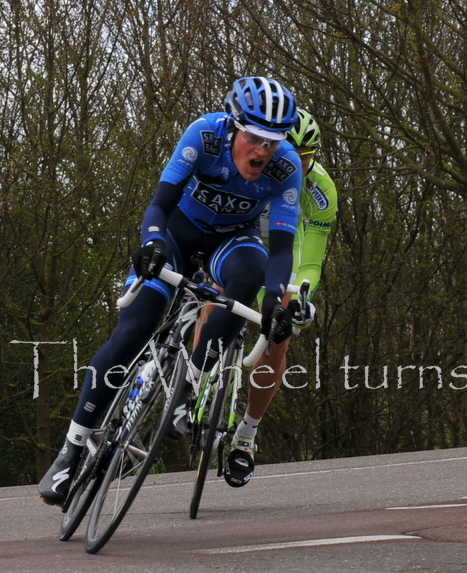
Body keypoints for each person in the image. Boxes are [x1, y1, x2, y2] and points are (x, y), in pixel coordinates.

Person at [39, 76, 302, 506]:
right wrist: (153, 242)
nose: (262, 152)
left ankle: (190, 384)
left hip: (232, 242)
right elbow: (159, 205)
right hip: (176, 237)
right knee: (132, 330)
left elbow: (282, 246)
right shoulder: (204, 134)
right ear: (234, 127)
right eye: (254, 138)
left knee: (252, 274)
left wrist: (274, 298)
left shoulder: (286, 166)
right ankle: (73, 446)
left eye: (272, 143)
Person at [223, 107, 338, 488]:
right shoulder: (248, 166)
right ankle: (194, 383)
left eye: (305, 159)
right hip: (239, 240)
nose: (295, 165)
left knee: (278, 337)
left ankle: (246, 436)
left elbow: (312, 259)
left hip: (283, 254)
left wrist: (303, 293)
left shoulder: (321, 191)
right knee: (214, 300)